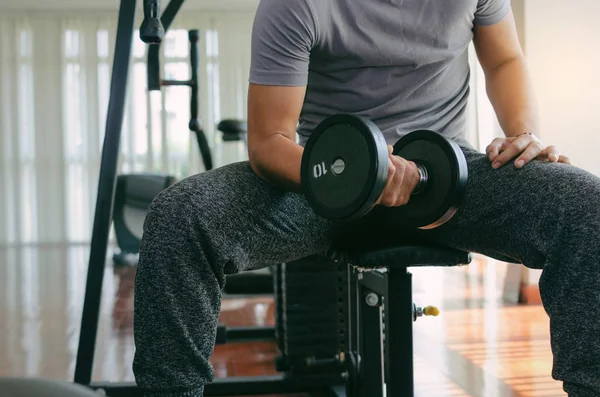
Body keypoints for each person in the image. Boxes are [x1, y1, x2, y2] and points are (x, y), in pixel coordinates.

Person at [132, 0, 600, 396]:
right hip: (323, 180)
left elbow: (504, 60)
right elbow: (270, 141)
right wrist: (362, 177)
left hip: (446, 173)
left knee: (585, 207)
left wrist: (522, 135)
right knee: (181, 216)